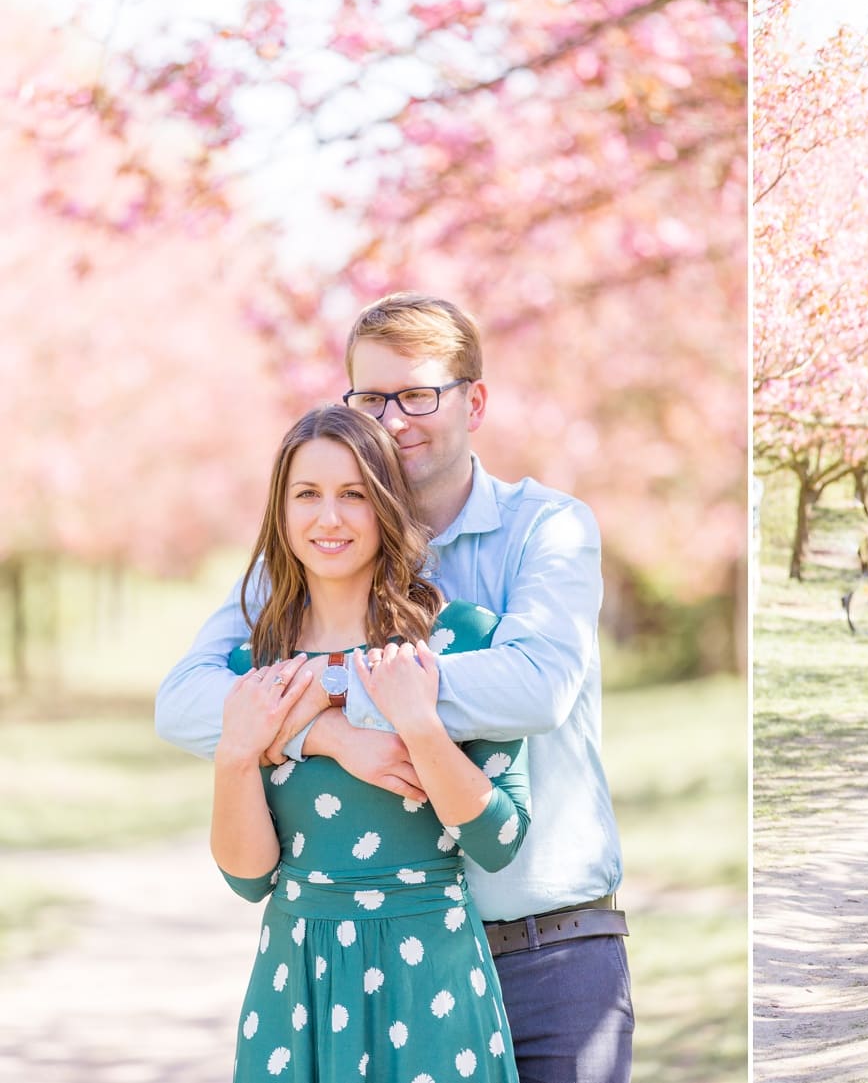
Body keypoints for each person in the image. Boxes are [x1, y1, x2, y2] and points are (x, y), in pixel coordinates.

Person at [159, 293, 632, 1083]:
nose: (395, 417)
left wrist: (330, 689)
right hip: (359, 962)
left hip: (548, 946)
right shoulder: (315, 561)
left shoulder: (545, 528)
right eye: (372, 397)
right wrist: (325, 733)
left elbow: (537, 685)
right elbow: (185, 701)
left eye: (418, 393)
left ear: (473, 400)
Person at [213, 405, 530, 1080]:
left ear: (385, 504)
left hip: (433, 974)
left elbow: (497, 841)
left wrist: (419, 724)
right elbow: (247, 879)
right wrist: (235, 756)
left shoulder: (464, 640)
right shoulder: (253, 667)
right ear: (282, 510)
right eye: (308, 494)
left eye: (353, 494)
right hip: (297, 976)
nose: (329, 518)